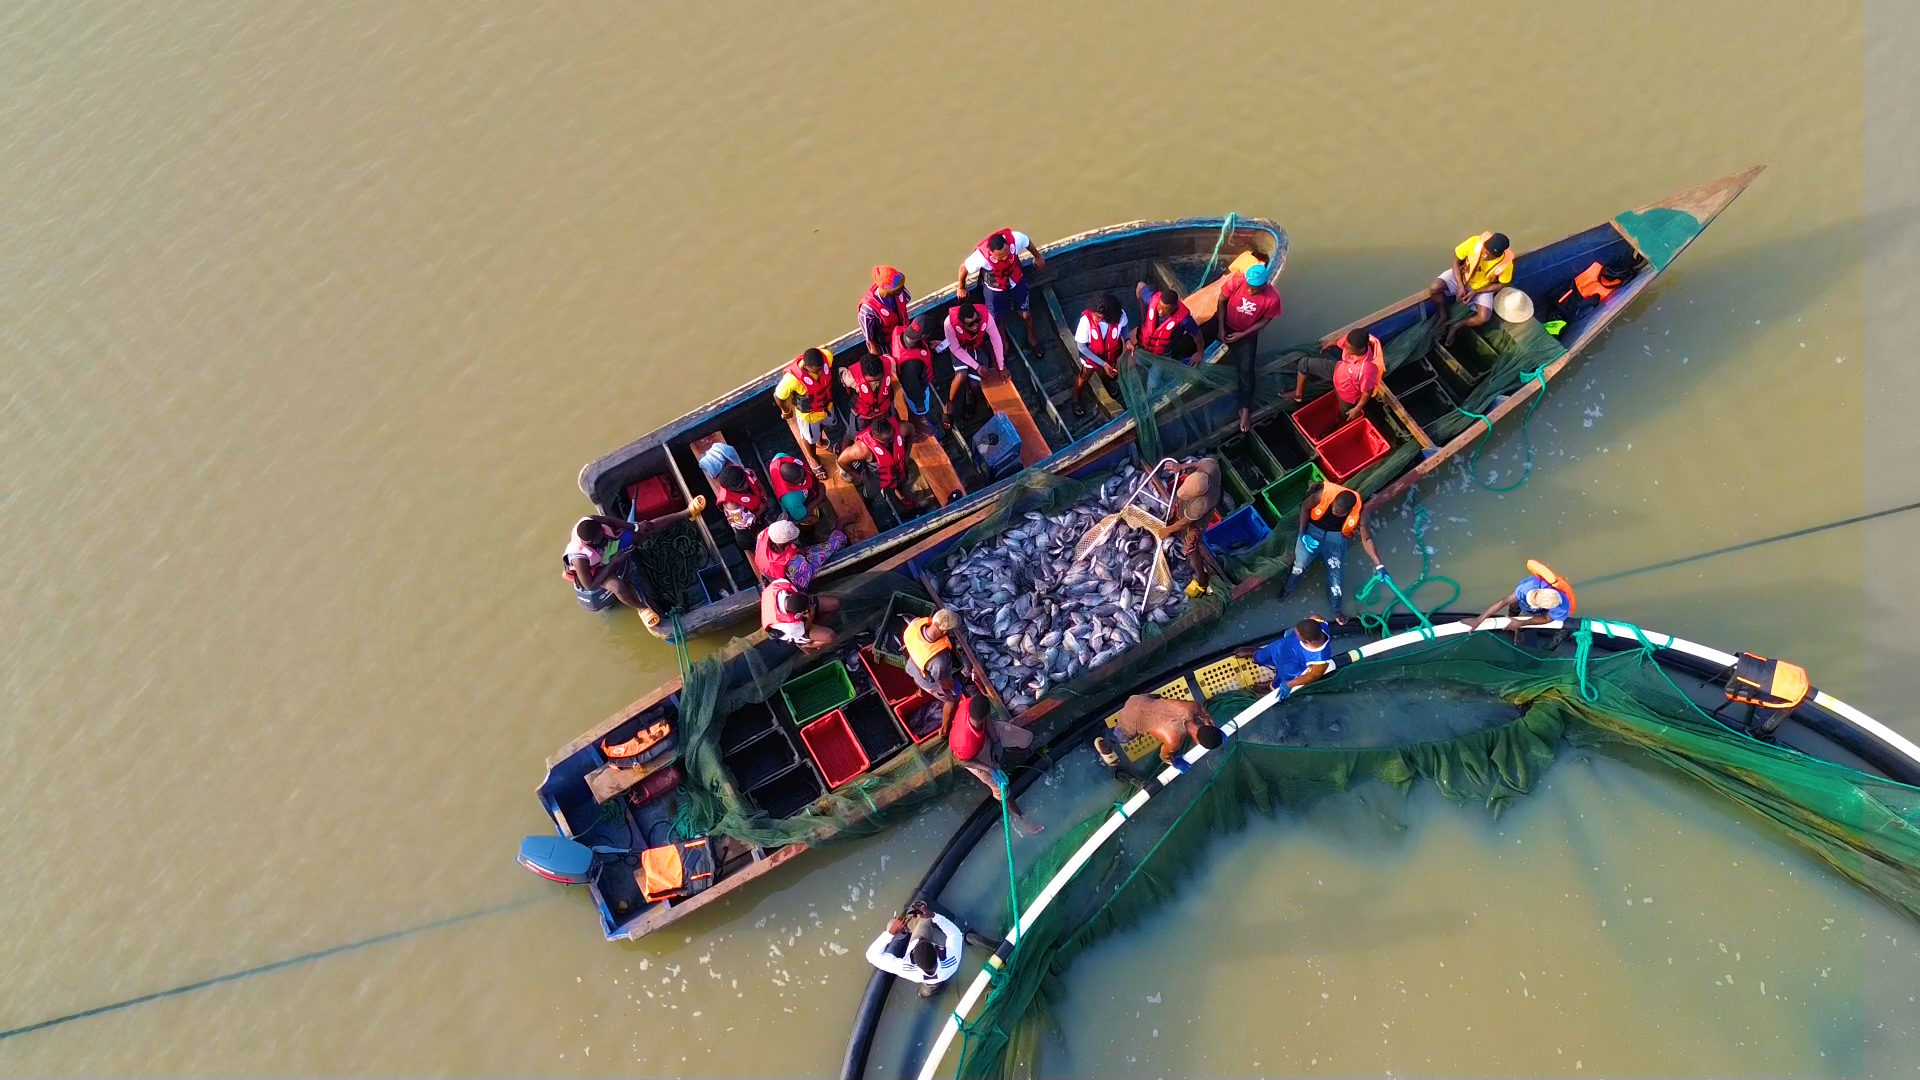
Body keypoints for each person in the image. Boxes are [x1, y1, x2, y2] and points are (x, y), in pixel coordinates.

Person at [562, 501, 706, 626]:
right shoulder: (579, 557)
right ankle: (642, 608)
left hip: (609, 547)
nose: (603, 534)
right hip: (598, 569)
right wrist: (614, 562)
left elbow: (611, 522)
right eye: (600, 536)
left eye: (601, 531)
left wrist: (635, 527)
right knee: (618, 587)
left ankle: (686, 512)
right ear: (591, 542)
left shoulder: (591, 522)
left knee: (649, 527)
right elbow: (589, 585)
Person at [1281, 481, 1383, 624]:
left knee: (1336, 577)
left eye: (1339, 511)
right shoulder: (1321, 496)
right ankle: (1287, 589)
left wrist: (1379, 565)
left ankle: (1336, 609)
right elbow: (1304, 507)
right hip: (1312, 532)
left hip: (1336, 539)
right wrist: (1302, 533)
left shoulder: (1362, 514)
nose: (1335, 511)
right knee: (1300, 565)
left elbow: (1367, 539)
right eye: (1334, 508)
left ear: (1348, 511)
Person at [947, 692, 1041, 834]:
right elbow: (963, 761)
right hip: (973, 756)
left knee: (1025, 738)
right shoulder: (964, 744)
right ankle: (1021, 818)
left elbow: (986, 720)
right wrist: (990, 769)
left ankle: (1009, 753)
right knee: (1002, 789)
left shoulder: (971, 704)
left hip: (983, 737)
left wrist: (996, 742)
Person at [1214, 261, 1282, 432]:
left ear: (1264, 285)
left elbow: (1266, 320)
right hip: (1225, 323)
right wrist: (1221, 328)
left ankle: (1244, 409)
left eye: (1255, 289)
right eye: (1249, 286)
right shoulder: (1237, 280)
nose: (1250, 290)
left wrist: (1242, 335)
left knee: (1246, 370)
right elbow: (1222, 300)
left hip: (1246, 333)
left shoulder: (1272, 298)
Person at [1092, 695, 1224, 782]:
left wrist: (1210, 723)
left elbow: (1205, 714)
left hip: (1141, 699)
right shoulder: (1174, 740)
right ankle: (1103, 745)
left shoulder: (1193, 707)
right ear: (1197, 742)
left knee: (1157, 701)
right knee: (1121, 736)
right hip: (1133, 715)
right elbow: (1164, 756)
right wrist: (1176, 762)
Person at [957, 228, 1046, 351]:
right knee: (997, 320)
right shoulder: (981, 257)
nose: (1004, 258)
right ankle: (1003, 344)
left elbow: (1027, 242)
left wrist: (1037, 256)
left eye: (1007, 254)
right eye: (1000, 257)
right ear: (992, 254)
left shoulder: (1015, 239)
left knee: (1026, 315)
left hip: (1015, 278)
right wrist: (961, 287)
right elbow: (963, 268)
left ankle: (1032, 337)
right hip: (995, 287)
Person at [1427, 231, 1514, 343]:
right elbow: (1456, 260)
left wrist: (1476, 292)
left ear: (1499, 255)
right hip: (1463, 275)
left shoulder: (1506, 264)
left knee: (1484, 317)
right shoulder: (1474, 243)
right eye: (1485, 251)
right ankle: (1444, 314)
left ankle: (1456, 326)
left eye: (1491, 255)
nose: (1486, 255)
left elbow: (1502, 284)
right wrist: (1460, 286)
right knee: (1434, 288)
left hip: (1482, 287)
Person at [864, 899, 964, 996]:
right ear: (935, 950)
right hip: (944, 973)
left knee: (891, 924)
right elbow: (956, 934)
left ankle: (926, 993)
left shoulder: (906, 968)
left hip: (926, 977)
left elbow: (871, 955)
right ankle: (928, 991)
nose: (921, 939)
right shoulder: (952, 959)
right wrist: (934, 916)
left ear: (914, 961)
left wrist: (890, 933)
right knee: (928, 989)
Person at [837, 415, 922, 515]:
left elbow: (911, 430)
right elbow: (842, 461)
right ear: (875, 438)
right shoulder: (862, 448)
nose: (891, 442)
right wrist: (860, 477)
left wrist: (907, 452)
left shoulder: (902, 428)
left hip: (898, 468)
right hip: (875, 477)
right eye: (887, 441)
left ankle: (899, 494)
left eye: (892, 438)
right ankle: (868, 505)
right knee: (870, 493)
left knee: (900, 480)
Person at [1467, 559, 1577, 636]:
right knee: (1513, 603)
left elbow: (1547, 619)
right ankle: (1512, 618)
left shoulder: (1562, 607)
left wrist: (1522, 623)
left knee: (1526, 617)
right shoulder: (1530, 585)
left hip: (1538, 611)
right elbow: (1504, 601)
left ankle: (1518, 630)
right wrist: (1479, 620)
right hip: (1525, 596)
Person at [903, 607, 966, 735]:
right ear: (946, 631)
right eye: (951, 630)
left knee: (919, 680)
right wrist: (955, 687)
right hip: (927, 678)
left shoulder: (916, 624)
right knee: (952, 699)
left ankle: (920, 692)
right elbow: (944, 683)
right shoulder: (939, 661)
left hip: (911, 666)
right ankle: (944, 731)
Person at [941, 301, 1005, 425]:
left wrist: (1001, 366)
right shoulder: (949, 324)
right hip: (959, 349)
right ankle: (950, 405)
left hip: (976, 347)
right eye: (970, 324)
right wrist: (977, 366)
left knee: (974, 385)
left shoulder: (987, 318)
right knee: (961, 375)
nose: (975, 326)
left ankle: (971, 399)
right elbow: (955, 349)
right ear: (962, 323)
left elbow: (996, 339)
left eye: (977, 321)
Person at [773, 347, 837, 471]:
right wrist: (786, 411)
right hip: (809, 415)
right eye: (816, 371)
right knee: (809, 439)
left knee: (822, 426)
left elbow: (824, 349)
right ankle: (814, 459)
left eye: (821, 369)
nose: (820, 373)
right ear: (806, 366)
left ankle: (821, 442)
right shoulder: (792, 380)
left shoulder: (827, 357)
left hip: (826, 406)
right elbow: (778, 396)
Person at [1237, 616, 1335, 696]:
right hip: (1279, 647)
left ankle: (1270, 686)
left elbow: (1312, 676)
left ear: (1307, 641)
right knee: (1262, 655)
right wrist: (1292, 631)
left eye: (1296, 634)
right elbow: (1313, 617)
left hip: (1290, 667)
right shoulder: (1318, 621)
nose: (1294, 632)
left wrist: (1289, 684)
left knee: (1279, 681)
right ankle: (1256, 655)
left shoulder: (1320, 660)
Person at [1070, 292, 1129, 419]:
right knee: (1084, 375)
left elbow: (1124, 327)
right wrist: (1102, 363)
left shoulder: (1119, 315)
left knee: (1105, 373)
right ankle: (1075, 398)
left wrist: (1128, 340)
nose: (1095, 319)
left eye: (1099, 317)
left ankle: (1108, 386)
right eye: (1094, 315)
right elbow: (1082, 347)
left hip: (1110, 354)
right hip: (1091, 355)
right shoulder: (1086, 321)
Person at [751, 517, 848, 590]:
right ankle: (838, 531)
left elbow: (785, 526)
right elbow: (803, 582)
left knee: (808, 553)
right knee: (825, 551)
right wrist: (802, 556)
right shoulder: (795, 563)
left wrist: (805, 518)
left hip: (769, 572)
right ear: (787, 542)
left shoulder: (765, 534)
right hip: (791, 577)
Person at [1170, 457, 1222, 590]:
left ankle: (1201, 579)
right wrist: (1181, 466)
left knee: (1191, 547)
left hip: (1197, 520)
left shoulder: (1200, 505)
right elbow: (1199, 463)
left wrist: (1167, 531)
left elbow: (1184, 523)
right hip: (1197, 498)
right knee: (1177, 507)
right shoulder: (1209, 466)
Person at [759, 575, 840, 653]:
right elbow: (804, 631)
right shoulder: (789, 627)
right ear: (799, 614)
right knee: (830, 636)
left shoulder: (782, 584)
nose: (813, 606)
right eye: (809, 606)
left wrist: (810, 607)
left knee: (835, 603)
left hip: (797, 607)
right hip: (794, 632)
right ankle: (805, 645)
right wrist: (809, 618)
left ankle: (816, 625)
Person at [1132, 284, 1206, 369]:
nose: (1160, 312)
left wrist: (1200, 352)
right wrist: (1143, 311)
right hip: (1143, 347)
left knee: (1153, 382)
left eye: (1165, 310)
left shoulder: (1185, 320)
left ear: (1174, 307)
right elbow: (1140, 286)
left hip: (1162, 354)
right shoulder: (1151, 299)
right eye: (1159, 308)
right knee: (1140, 363)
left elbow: (1197, 334)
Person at [890, 325, 940, 437]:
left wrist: (929, 344)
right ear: (923, 336)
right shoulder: (911, 364)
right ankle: (918, 422)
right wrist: (919, 404)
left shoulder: (900, 331)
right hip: (917, 390)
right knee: (919, 410)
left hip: (919, 379)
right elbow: (912, 387)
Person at [841, 352, 900, 437]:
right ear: (864, 374)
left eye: (879, 379)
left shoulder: (890, 363)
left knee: (892, 422)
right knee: (854, 434)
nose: (875, 382)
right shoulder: (850, 377)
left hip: (885, 404)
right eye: (871, 380)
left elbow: (889, 359)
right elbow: (842, 377)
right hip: (863, 410)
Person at [711, 462, 771, 545]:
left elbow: (757, 482)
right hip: (744, 522)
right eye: (741, 486)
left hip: (758, 504)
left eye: (744, 482)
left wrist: (763, 492)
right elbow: (745, 522)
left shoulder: (745, 473)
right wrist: (761, 509)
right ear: (731, 489)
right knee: (744, 542)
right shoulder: (732, 506)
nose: (745, 485)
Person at [859, 266, 912, 357]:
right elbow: (869, 337)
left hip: (903, 332)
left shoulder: (900, 292)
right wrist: (875, 353)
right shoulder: (867, 310)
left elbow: (906, 300)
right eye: (898, 288)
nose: (902, 289)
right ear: (886, 289)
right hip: (886, 343)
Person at [767, 453, 825, 528]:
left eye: (803, 474)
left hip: (797, 498)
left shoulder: (779, 457)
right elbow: (799, 516)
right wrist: (820, 497)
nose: (804, 478)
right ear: (792, 483)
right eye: (801, 481)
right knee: (801, 515)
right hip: (796, 506)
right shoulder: (791, 501)